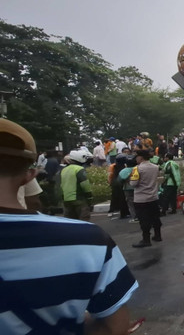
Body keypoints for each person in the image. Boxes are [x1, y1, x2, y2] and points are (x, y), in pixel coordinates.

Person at [0, 118, 138, 335]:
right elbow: (115, 327)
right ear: (30, 175)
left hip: (67, 201)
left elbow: (57, 189)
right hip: (79, 205)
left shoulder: (64, 171)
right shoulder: (88, 240)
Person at [130, 149, 162, 247]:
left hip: (141, 199)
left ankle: (146, 240)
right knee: (155, 217)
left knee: (144, 220)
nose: (136, 159)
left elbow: (133, 184)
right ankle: (158, 235)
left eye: (137, 157)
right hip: (153, 197)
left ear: (141, 157)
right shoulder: (155, 167)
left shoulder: (137, 168)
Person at [60, 149, 94, 221]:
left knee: (71, 222)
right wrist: (89, 197)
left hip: (66, 200)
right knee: (84, 220)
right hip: (79, 199)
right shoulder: (79, 169)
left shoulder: (64, 170)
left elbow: (61, 185)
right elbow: (85, 184)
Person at [119, 155, 139, 223]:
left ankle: (135, 217)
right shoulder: (138, 169)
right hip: (138, 188)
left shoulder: (123, 171)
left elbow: (119, 180)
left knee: (131, 203)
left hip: (127, 189)